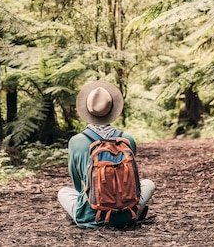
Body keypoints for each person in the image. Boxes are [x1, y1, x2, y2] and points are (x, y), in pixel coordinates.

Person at [57, 80, 155, 229]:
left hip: (91, 216)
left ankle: (84, 214)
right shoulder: (127, 139)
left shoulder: (76, 141)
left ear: (87, 110)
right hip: (128, 213)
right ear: (112, 110)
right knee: (149, 184)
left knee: (63, 192)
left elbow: (77, 184)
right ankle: (131, 213)